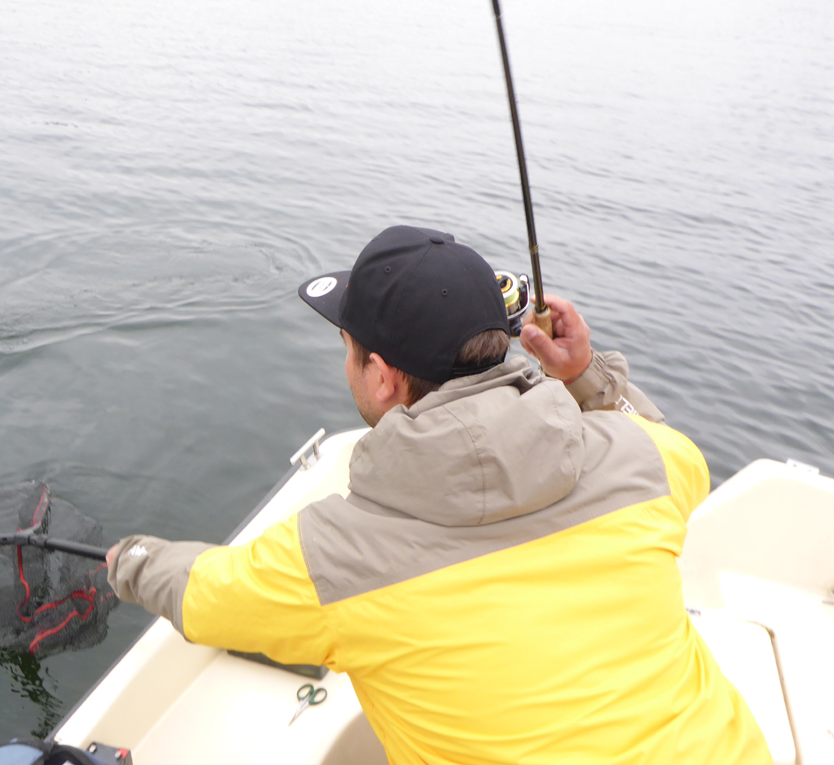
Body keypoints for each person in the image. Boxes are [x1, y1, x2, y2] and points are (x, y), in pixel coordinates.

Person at [105, 225, 771, 764]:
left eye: (347, 347)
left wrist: (128, 559)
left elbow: (201, 594)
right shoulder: (639, 462)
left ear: (382, 377)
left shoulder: (336, 559)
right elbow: (671, 451)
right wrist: (587, 376)